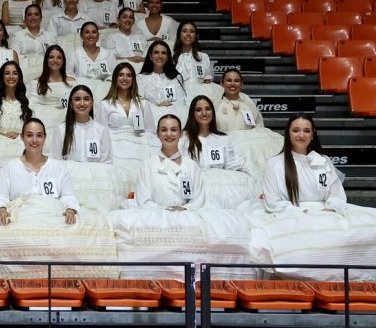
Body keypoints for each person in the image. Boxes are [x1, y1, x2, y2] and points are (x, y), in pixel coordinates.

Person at [251, 115, 376, 285]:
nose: (301, 135)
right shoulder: (274, 164)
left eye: (306, 131)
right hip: (292, 213)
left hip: (327, 210)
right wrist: (305, 212)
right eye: (296, 130)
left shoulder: (323, 161)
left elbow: (337, 194)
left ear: (313, 135)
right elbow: (274, 203)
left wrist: (331, 208)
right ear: (288, 133)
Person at [0, 118, 117, 279]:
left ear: (45, 138)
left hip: (52, 218)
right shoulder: (10, 167)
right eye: (29, 135)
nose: (34, 140)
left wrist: (70, 209)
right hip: (22, 219)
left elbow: (68, 196)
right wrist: (2, 209)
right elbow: (0, 196)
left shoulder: (58, 167)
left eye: (39, 135)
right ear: (22, 138)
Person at [109, 114, 253, 279]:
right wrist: (167, 210)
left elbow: (198, 199)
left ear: (181, 134)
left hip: (188, 213)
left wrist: (184, 209)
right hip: (155, 214)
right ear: (157, 134)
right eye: (164, 130)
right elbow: (143, 200)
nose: (169, 134)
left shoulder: (191, 166)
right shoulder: (147, 165)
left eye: (173, 130)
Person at [179, 96, 257, 208]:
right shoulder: (184, 139)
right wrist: (183, 199)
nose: (204, 113)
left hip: (222, 189)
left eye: (208, 109)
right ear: (192, 114)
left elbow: (234, 164)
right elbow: (181, 170)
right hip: (199, 189)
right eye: (199, 110)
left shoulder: (224, 139)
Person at [215, 70, 282, 179]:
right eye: (229, 80)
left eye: (237, 81)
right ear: (221, 83)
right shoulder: (216, 104)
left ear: (242, 84)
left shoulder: (248, 102)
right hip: (229, 148)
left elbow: (259, 125)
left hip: (251, 148)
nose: (233, 84)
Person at [97, 63, 156, 173]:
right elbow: (101, 133)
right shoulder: (105, 104)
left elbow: (150, 130)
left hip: (139, 148)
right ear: (115, 78)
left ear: (133, 79)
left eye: (129, 75)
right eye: (121, 75)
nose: (125, 78)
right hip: (115, 149)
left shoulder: (143, 103)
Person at [50, 84, 112, 163]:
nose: (82, 103)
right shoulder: (61, 130)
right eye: (77, 99)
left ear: (92, 103)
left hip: (95, 171)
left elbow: (106, 163)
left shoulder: (101, 130)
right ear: (71, 104)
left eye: (86, 99)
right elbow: (55, 161)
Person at [0, 61, 32, 159]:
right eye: (7, 73)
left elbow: (33, 128)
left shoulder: (28, 103)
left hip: (21, 144)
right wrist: (2, 134)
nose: (11, 76)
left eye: (15, 73)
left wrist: (19, 134)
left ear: (19, 77)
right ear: (2, 77)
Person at [139, 41, 188, 125]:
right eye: (156, 52)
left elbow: (181, 102)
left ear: (168, 57)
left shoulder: (176, 78)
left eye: (164, 53)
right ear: (150, 56)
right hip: (149, 120)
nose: (160, 56)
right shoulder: (140, 78)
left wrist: (168, 107)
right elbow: (139, 103)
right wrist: (158, 107)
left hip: (173, 118)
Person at [28, 45, 77, 126]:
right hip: (44, 119)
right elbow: (32, 104)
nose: (55, 60)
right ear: (46, 60)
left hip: (66, 120)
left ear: (63, 61)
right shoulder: (36, 82)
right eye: (51, 57)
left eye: (59, 57)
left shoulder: (72, 82)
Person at [173, 21, 220, 102]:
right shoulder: (172, 57)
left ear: (195, 36)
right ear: (179, 35)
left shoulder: (203, 57)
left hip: (199, 98)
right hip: (179, 98)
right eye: (184, 31)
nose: (188, 34)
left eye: (192, 31)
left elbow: (207, 81)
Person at [12, 4, 57, 77]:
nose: (33, 17)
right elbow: (15, 60)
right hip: (24, 74)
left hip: (46, 74)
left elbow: (54, 58)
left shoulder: (50, 36)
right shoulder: (17, 36)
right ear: (25, 18)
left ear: (41, 18)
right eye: (29, 15)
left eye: (36, 14)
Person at [68, 21, 117, 86]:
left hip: (105, 89)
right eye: (87, 32)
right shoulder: (74, 55)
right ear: (81, 35)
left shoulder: (108, 55)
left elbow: (114, 75)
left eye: (94, 32)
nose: (90, 35)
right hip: (81, 89)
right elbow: (69, 77)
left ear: (98, 35)